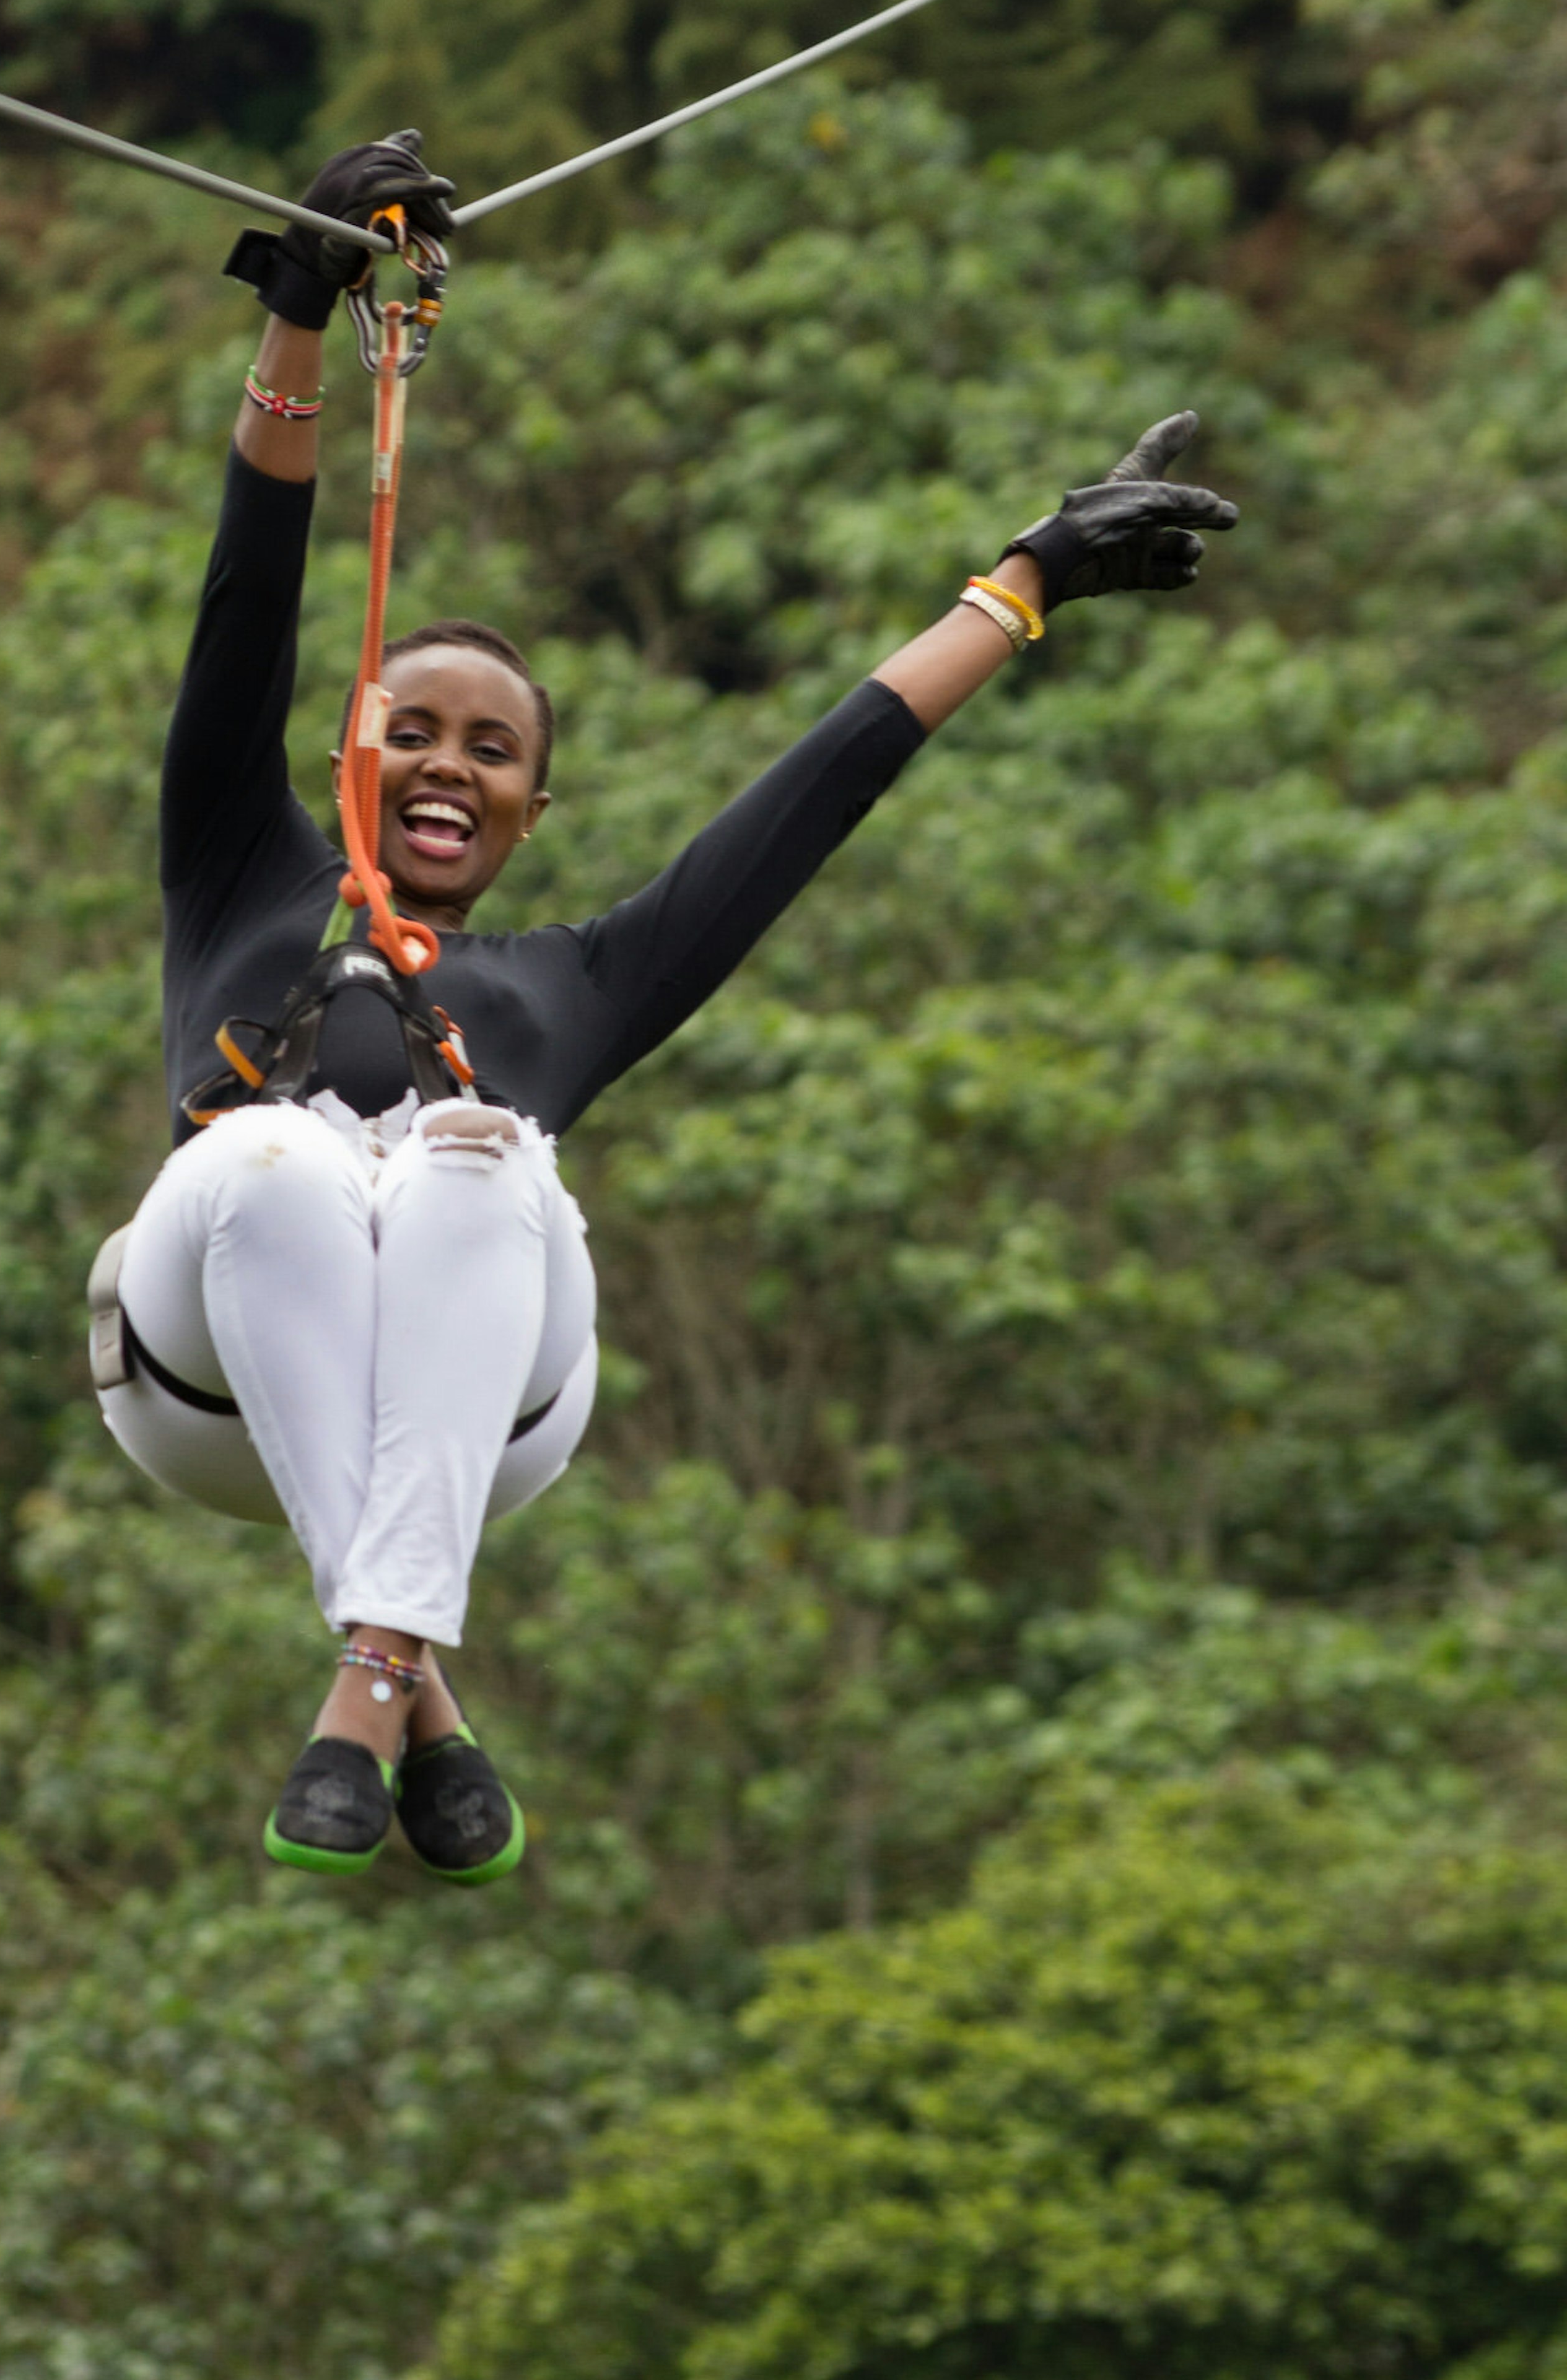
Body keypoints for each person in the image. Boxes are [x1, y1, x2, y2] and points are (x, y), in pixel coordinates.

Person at [89, 132, 1237, 1885]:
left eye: (495, 748)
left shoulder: (579, 983)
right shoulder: (242, 866)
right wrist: (304, 307)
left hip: (492, 1408)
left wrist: (1024, 588)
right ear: (349, 756)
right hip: (205, 1368)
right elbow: (247, 598)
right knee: (274, 1164)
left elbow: (809, 800)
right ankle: (413, 1687)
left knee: (487, 1159)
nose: (450, 765)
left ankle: (371, 1677)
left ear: (534, 813)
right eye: (415, 730)